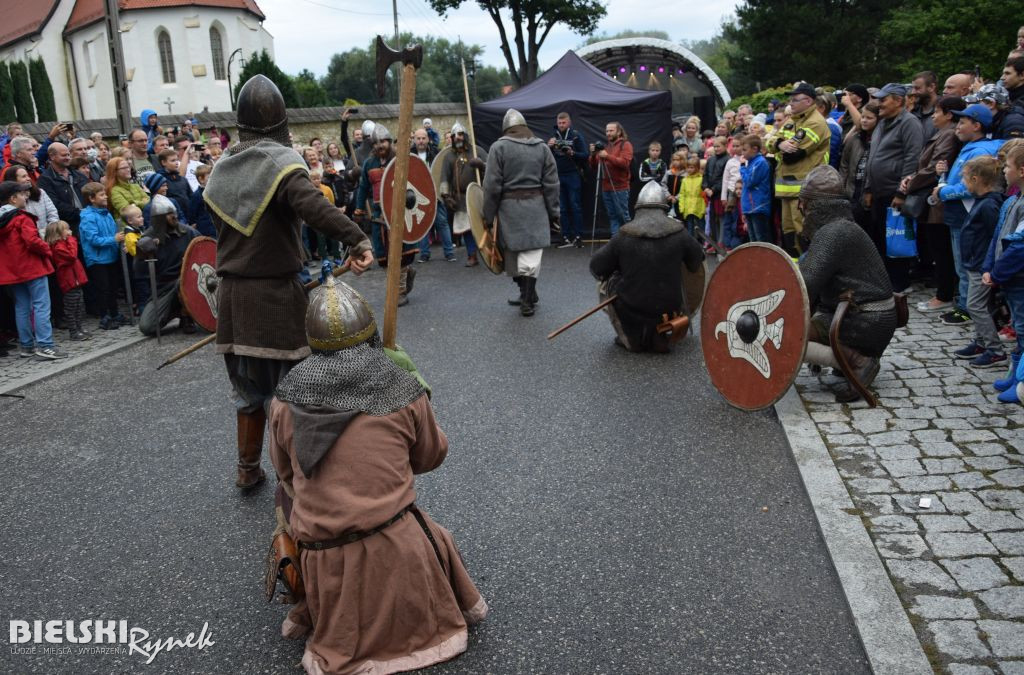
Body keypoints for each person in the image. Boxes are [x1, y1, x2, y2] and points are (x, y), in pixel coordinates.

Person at [268, 276, 486, 673]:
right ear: (368, 334)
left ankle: (321, 610)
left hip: (323, 552)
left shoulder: (285, 399)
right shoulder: (402, 389)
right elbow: (430, 456)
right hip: (396, 543)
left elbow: (284, 474)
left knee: (287, 501)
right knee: (422, 524)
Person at [202, 75, 373, 489]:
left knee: (247, 394)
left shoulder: (220, 170)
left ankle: (247, 470)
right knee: (291, 397)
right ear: (280, 120)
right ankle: (295, 480)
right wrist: (356, 237)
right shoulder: (281, 165)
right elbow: (312, 205)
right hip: (276, 300)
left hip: (232, 301)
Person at [796, 166, 897, 403]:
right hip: (860, 314)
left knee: (785, 334)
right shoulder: (840, 227)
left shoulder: (834, 233)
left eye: (804, 202)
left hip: (864, 320)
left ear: (814, 205)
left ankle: (859, 361)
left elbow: (805, 285)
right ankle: (845, 357)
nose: (801, 208)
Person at [589, 181, 705, 352]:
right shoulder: (679, 233)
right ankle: (658, 335)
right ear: (664, 207)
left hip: (631, 306)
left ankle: (630, 336)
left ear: (638, 208)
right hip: (670, 307)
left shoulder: (624, 234)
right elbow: (696, 263)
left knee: (609, 282)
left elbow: (597, 268)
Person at [482, 109, 560, 317]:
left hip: (509, 210)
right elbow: (552, 184)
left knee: (514, 256)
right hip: (536, 208)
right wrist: (554, 213)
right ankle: (528, 294)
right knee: (530, 258)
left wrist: (487, 216)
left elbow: (491, 186)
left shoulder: (498, 147)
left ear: (506, 129)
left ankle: (527, 300)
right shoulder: (542, 147)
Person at [933, 104, 1005, 326]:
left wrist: (943, 191)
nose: (958, 126)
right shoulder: (968, 147)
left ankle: (967, 308)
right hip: (957, 215)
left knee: (965, 265)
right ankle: (965, 303)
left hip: (966, 215)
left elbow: (968, 186)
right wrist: (942, 176)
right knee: (960, 264)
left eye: (963, 122)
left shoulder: (979, 151)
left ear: (977, 125)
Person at [896, 96, 965, 313]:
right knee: (938, 248)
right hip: (933, 197)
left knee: (941, 250)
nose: (933, 116)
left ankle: (944, 294)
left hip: (938, 202)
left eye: (937, 112)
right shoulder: (942, 134)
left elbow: (937, 166)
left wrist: (912, 181)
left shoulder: (949, 135)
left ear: (949, 114)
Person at [863, 83, 924, 292]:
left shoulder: (910, 123)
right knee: (880, 236)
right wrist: (869, 188)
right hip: (878, 191)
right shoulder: (882, 123)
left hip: (894, 191)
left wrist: (901, 191)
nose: (879, 104)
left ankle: (899, 282)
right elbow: (873, 155)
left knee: (895, 237)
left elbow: (912, 158)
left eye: (883, 99)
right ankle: (884, 279)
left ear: (898, 101)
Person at [951, 156, 1007, 368]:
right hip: (975, 263)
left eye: (964, 178)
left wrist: (989, 265)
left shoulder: (989, 205)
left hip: (981, 265)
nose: (963, 182)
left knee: (975, 305)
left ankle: (994, 350)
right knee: (979, 304)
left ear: (976, 179)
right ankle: (981, 342)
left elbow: (996, 236)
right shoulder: (983, 202)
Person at [0, 181, 66, 360]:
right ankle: (45, 345)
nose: (26, 197)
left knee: (22, 307)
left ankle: (27, 346)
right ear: (13, 199)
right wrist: (47, 248)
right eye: (22, 194)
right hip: (32, 267)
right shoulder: (21, 217)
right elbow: (32, 241)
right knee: (41, 305)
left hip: (11, 271)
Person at [769, 82, 831, 256]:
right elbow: (769, 143)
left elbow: (793, 154)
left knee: (803, 232)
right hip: (787, 189)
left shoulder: (815, 123)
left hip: (804, 189)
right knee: (789, 232)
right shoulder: (791, 122)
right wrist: (780, 144)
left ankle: (811, 271)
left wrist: (779, 147)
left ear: (809, 101)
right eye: (790, 100)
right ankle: (797, 273)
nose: (791, 104)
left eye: (795, 100)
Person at [134, 195, 201, 336]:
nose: (174, 216)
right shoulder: (149, 237)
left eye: (174, 212)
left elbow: (204, 251)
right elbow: (139, 273)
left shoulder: (188, 232)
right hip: (164, 289)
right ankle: (175, 311)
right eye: (169, 214)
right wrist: (142, 254)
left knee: (182, 282)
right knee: (147, 327)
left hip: (190, 283)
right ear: (159, 218)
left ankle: (187, 316)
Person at [987, 145, 1024, 401]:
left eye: (1008, 166)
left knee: (1023, 327)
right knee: (1019, 325)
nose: (1004, 170)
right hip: (1012, 277)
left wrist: (998, 272)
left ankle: (1021, 380)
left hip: (1018, 277)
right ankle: (1016, 373)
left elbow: (1019, 245)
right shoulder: (1016, 199)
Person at [78, 182, 126, 330]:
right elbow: (93, 239)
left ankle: (114, 313)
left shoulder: (107, 214)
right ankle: (104, 316)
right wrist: (114, 239)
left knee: (112, 287)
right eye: (102, 195)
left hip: (111, 256)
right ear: (92, 198)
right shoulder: (88, 217)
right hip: (97, 259)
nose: (106, 197)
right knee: (103, 288)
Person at [438, 122, 486, 267]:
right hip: (460, 198)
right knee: (466, 229)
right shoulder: (449, 157)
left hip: (478, 196)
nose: (457, 138)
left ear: (465, 136)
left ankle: (489, 253)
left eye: (460, 135)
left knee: (483, 227)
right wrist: (446, 196)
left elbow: (493, 170)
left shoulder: (477, 151)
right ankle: (472, 255)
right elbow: (444, 177)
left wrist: (482, 165)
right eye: (454, 136)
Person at [410, 127, 455, 263]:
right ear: (414, 140)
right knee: (422, 224)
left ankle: (449, 252)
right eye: (418, 138)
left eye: (423, 138)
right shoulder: (409, 155)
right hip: (418, 195)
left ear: (428, 139)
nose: (421, 141)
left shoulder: (436, 153)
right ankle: (424, 253)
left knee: (442, 222)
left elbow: (442, 172)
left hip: (435, 193)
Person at [547, 112, 588, 248]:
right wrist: (549, 148)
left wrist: (572, 153)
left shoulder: (576, 136)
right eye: (559, 123)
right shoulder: (553, 137)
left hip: (573, 174)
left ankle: (578, 236)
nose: (561, 125)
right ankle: (565, 236)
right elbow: (547, 158)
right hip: (558, 175)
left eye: (564, 123)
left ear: (569, 123)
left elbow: (585, 155)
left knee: (575, 205)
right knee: (562, 208)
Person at [839, 100, 880, 232]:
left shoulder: (881, 139)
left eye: (869, 118)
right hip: (852, 191)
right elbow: (844, 164)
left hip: (870, 194)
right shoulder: (855, 139)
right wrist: (842, 187)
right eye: (862, 117)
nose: (864, 121)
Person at [45, 220, 89, 341]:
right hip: (69, 281)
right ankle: (74, 332)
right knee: (71, 308)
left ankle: (79, 328)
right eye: (66, 229)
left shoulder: (65, 244)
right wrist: (71, 239)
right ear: (59, 233)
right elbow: (72, 255)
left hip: (76, 279)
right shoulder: (58, 247)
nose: (70, 231)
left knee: (79, 306)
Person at [589, 122, 633, 237]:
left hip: (620, 188)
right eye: (607, 131)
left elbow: (625, 163)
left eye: (611, 131)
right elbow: (594, 165)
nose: (608, 133)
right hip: (606, 188)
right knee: (613, 216)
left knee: (623, 216)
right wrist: (593, 154)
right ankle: (616, 243)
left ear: (618, 132)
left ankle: (629, 241)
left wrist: (607, 156)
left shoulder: (625, 145)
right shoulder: (606, 147)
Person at [37, 142, 87, 236]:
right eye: (64, 155)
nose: (68, 158)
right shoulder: (45, 179)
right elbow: (54, 204)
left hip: (88, 223)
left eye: (68, 155)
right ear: (52, 157)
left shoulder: (79, 176)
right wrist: (79, 213)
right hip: (66, 228)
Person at [2, 165, 56, 234]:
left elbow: (52, 213)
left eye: (27, 175)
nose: (28, 178)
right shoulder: (10, 201)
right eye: (24, 176)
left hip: (48, 236)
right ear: (13, 180)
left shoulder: (40, 192)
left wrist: (51, 232)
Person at [739, 135, 772, 243]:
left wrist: (742, 167)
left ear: (754, 149)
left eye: (745, 150)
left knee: (760, 239)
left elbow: (749, 182)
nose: (742, 153)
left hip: (758, 207)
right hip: (750, 207)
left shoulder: (760, 162)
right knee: (753, 239)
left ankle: (764, 259)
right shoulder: (752, 163)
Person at [106, 156, 149, 228]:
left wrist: (135, 203)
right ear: (115, 172)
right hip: (128, 230)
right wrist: (142, 202)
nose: (128, 169)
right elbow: (127, 211)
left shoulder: (136, 186)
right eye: (124, 168)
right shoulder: (114, 191)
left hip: (143, 224)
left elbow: (149, 201)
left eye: (128, 167)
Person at [701, 136, 729, 246]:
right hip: (710, 194)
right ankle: (714, 243)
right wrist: (705, 187)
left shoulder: (727, 159)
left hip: (720, 194)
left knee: (721, 218)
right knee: (712, 219)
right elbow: (705, 175)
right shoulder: (711, 159)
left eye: (719, 146)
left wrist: (713, 189)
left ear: (725, 146)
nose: (716, 149)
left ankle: (721, 242)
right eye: (715, 146)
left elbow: (724, 178)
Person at [155, 148, 194, 221]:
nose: (176, 163)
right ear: (163, 162)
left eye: (177, 160)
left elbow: (191, 197)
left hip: (188, 216)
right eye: (172, 160)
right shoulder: (160, 180)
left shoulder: (183, 179)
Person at [676, 157, 705, 240]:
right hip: (688, 207)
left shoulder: (701, 179)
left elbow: (703, 194)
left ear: (697, 168)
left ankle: (702, 242)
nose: (689, 169)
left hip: (699, 207)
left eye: (691, 167)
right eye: (688, 167)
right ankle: (691, 243)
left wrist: (705, 206)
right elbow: (682, 194)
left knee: (701, 226)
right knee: (690, 227)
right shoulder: (684, 180)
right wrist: (681, 207)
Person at [189, 164, 215, 239]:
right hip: (205, 229)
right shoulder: (196, 195)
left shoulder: (214, 192)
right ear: (201, 179)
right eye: (209, 177)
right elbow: (192, 214)